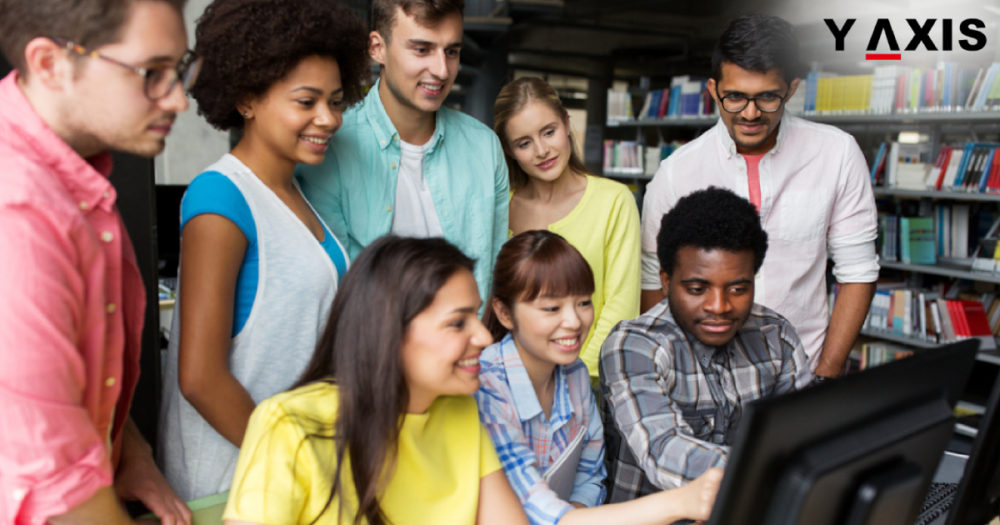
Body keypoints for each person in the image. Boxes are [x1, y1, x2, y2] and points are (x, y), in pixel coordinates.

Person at [157, 0, 368, 501]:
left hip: (291, 476)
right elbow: (200, 378)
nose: (329, 118)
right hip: (234, 481)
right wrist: (293, 461)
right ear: (247, 99)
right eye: (306, 101)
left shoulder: (299, 197)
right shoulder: (220, 197)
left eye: (336, 101)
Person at [0, 0, 199, 522]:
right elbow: (60, 493)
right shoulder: (17, 214)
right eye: (151, 73)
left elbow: (79, 377)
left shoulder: (75, 176)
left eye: (178, 69)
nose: (178, 99)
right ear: (50, 65)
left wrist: (130, 449)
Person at [223, 236, 529, 525]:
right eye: (457, 323)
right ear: (389, 332)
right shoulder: (289, 424)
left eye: (477, 315)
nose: (485, 336)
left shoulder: (461, 411)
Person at [638, 14, 879, 382]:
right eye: (735, 97)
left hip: (803, 373)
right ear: (713, 89)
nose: (750, 114)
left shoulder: (837, 154)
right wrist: (675, 379)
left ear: (792, 88)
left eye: (767, 97)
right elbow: (655, 281)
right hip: (704, 382)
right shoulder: (677, 173)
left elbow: (858, 271)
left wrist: (825, 375)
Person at [477, 231, 722, 525]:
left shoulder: (575, 373)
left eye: (583, 302)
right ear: (504, 313)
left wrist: (580, 511)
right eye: (552, 308)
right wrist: (682, 501)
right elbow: (544, 515)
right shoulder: (486, 388)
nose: (574, 321)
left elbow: (590, 475)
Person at [601, 188, 812, 502]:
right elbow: (664, 452)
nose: (719, 306)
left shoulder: (777, 337)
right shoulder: (634, 346)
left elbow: (804, 438)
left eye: (738, 288)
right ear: (665, 280)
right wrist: (777, 471)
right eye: (698, 288)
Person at [297, 0, 509, 304]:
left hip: (469, 349)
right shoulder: (331, 149)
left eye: (451, 51)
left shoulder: (485, 148)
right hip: (370, 349)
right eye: (421, 49)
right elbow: (332, 289)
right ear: (377, 47)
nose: (440, 70)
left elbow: (497, 275)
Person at [492, 77, 640, 380]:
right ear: (509, 150)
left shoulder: (614, 201)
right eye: (524, 143)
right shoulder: (497, 209)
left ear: (567, 123)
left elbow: (620, 310)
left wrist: (568, 381)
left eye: (549, 132)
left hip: (591, 382)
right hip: (507, 384)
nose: (542, 150)